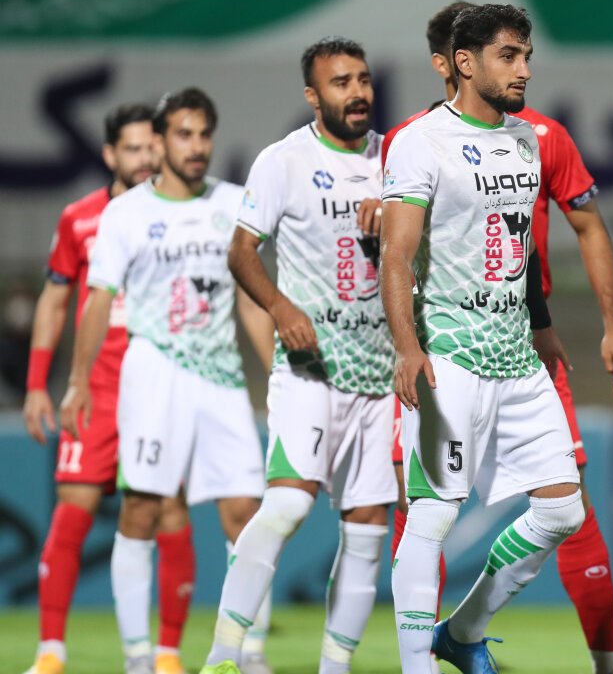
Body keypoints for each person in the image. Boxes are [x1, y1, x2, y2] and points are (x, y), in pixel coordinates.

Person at [381, 0, 613, 674]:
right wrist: (408, 349)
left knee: (563, 511)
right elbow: (396, 255)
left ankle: (462, 632)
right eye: (508, 56)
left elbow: (519, 247)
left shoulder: (528, 140)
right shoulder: (420, 141)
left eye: (526, 56)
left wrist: (543, 329)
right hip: (451, 357)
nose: (524, 70)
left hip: (518, 359)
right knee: (431, 516)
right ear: (464, 63)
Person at [58, 88, 274, 674]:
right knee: (143, 509)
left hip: (221, 377)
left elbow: (252, 299)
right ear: (159, 142)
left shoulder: (234, 202)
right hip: (153, 375)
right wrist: (78, 380)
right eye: (184, 134)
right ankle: (138, 656)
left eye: (204, 134)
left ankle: (248, 651)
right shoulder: (126, 214)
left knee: (247, 513)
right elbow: (98, 300)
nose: (197, 146)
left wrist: (278, 372)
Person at [200, 38, 396, 674]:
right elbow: (241, 251)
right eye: (341, 82)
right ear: (313, 96)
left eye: (362, 79)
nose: (357, 92)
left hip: (382, 376)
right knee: (286, 505)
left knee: (367, 528)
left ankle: (334, 667)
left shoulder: (398, 159)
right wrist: (281, 309)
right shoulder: (284, 161)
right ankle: (224, 656)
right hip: (313, 371)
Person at [20, 104, 199, 674]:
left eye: (152, 146)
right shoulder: (78, 219)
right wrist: (37, 384)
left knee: (168, 512)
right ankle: (51, 651)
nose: (145, 158)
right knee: (73, 511)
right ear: (108, 154)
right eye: (133, 148)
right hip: (96, 390)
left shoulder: (182, 214)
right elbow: (54, 301)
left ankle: (166, 655)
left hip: (159, 389)